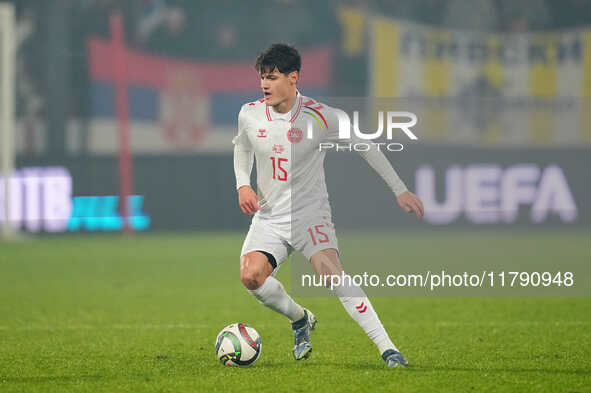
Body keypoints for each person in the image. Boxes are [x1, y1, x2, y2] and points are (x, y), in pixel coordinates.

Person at [233, 43, 424, 367]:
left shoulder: (322, 117)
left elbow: (367, 147)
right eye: (262, 77)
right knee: (251, 277)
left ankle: (387, 348)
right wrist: (242, 184)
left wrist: (400, 190)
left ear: (294, 78)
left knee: (331, 274)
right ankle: (300, 319)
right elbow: (242, 148)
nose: (265, 84)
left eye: (273, 77)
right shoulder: (249, 113)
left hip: (310, 215)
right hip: (269, 217)